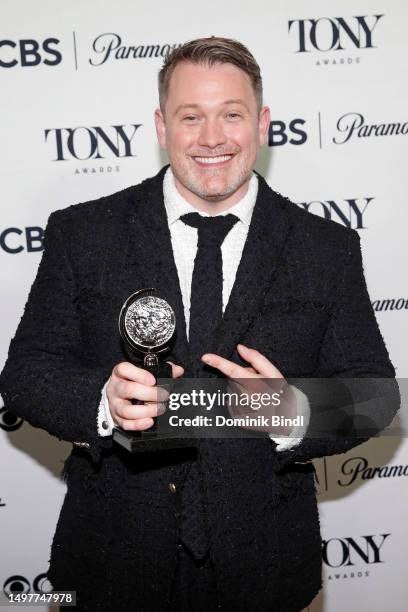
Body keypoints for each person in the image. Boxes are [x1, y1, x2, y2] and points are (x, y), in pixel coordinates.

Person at [0, 37, 399, 612]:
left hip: (265, 567)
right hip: (112, 558)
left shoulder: (326, 248)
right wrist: (102, 402)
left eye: (231, 115)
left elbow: (376, 395)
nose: (212, 138)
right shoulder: (83, 234)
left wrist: (294, 412)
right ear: (163, 127)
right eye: (192, 117)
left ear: (261, 123)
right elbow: (27, 371)